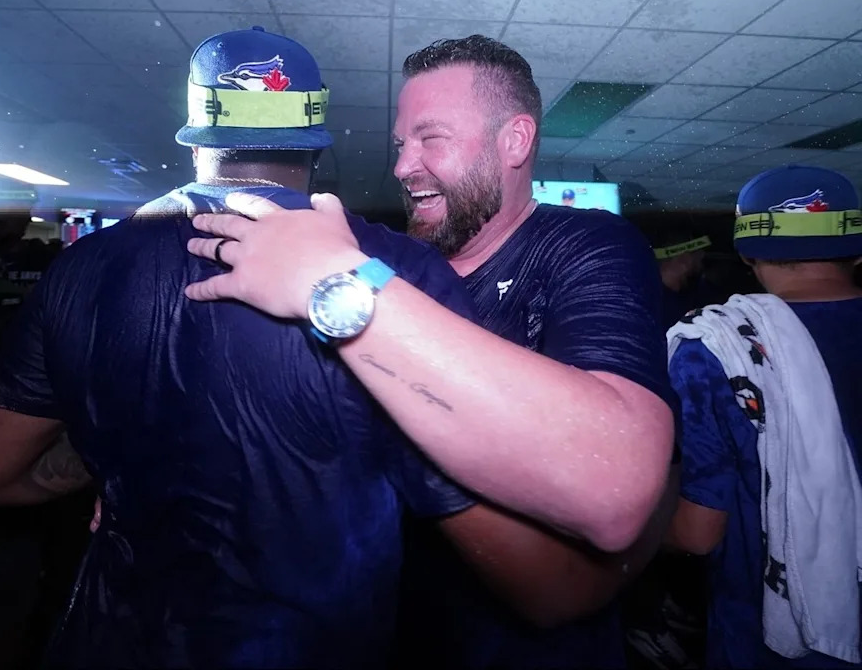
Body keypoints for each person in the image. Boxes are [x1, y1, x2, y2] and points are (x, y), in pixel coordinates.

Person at [0, 28, 625, 670]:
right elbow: (546, 582)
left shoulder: (82, 271)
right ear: (313, 139)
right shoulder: (390, 274)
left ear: (198, 132)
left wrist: (116, 461)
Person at [185, 35, 678, 669]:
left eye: (430, 138)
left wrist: (335, 285)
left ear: (515, 141)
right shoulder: (390, 260)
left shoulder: (586, 247)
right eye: (400, 145)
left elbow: (610, 491)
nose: (402, 166)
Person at [666, 165, 862, 669]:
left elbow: (697, 530)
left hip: (766, 634)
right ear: (856, 249)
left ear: (748, 252)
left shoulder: (716, 350)